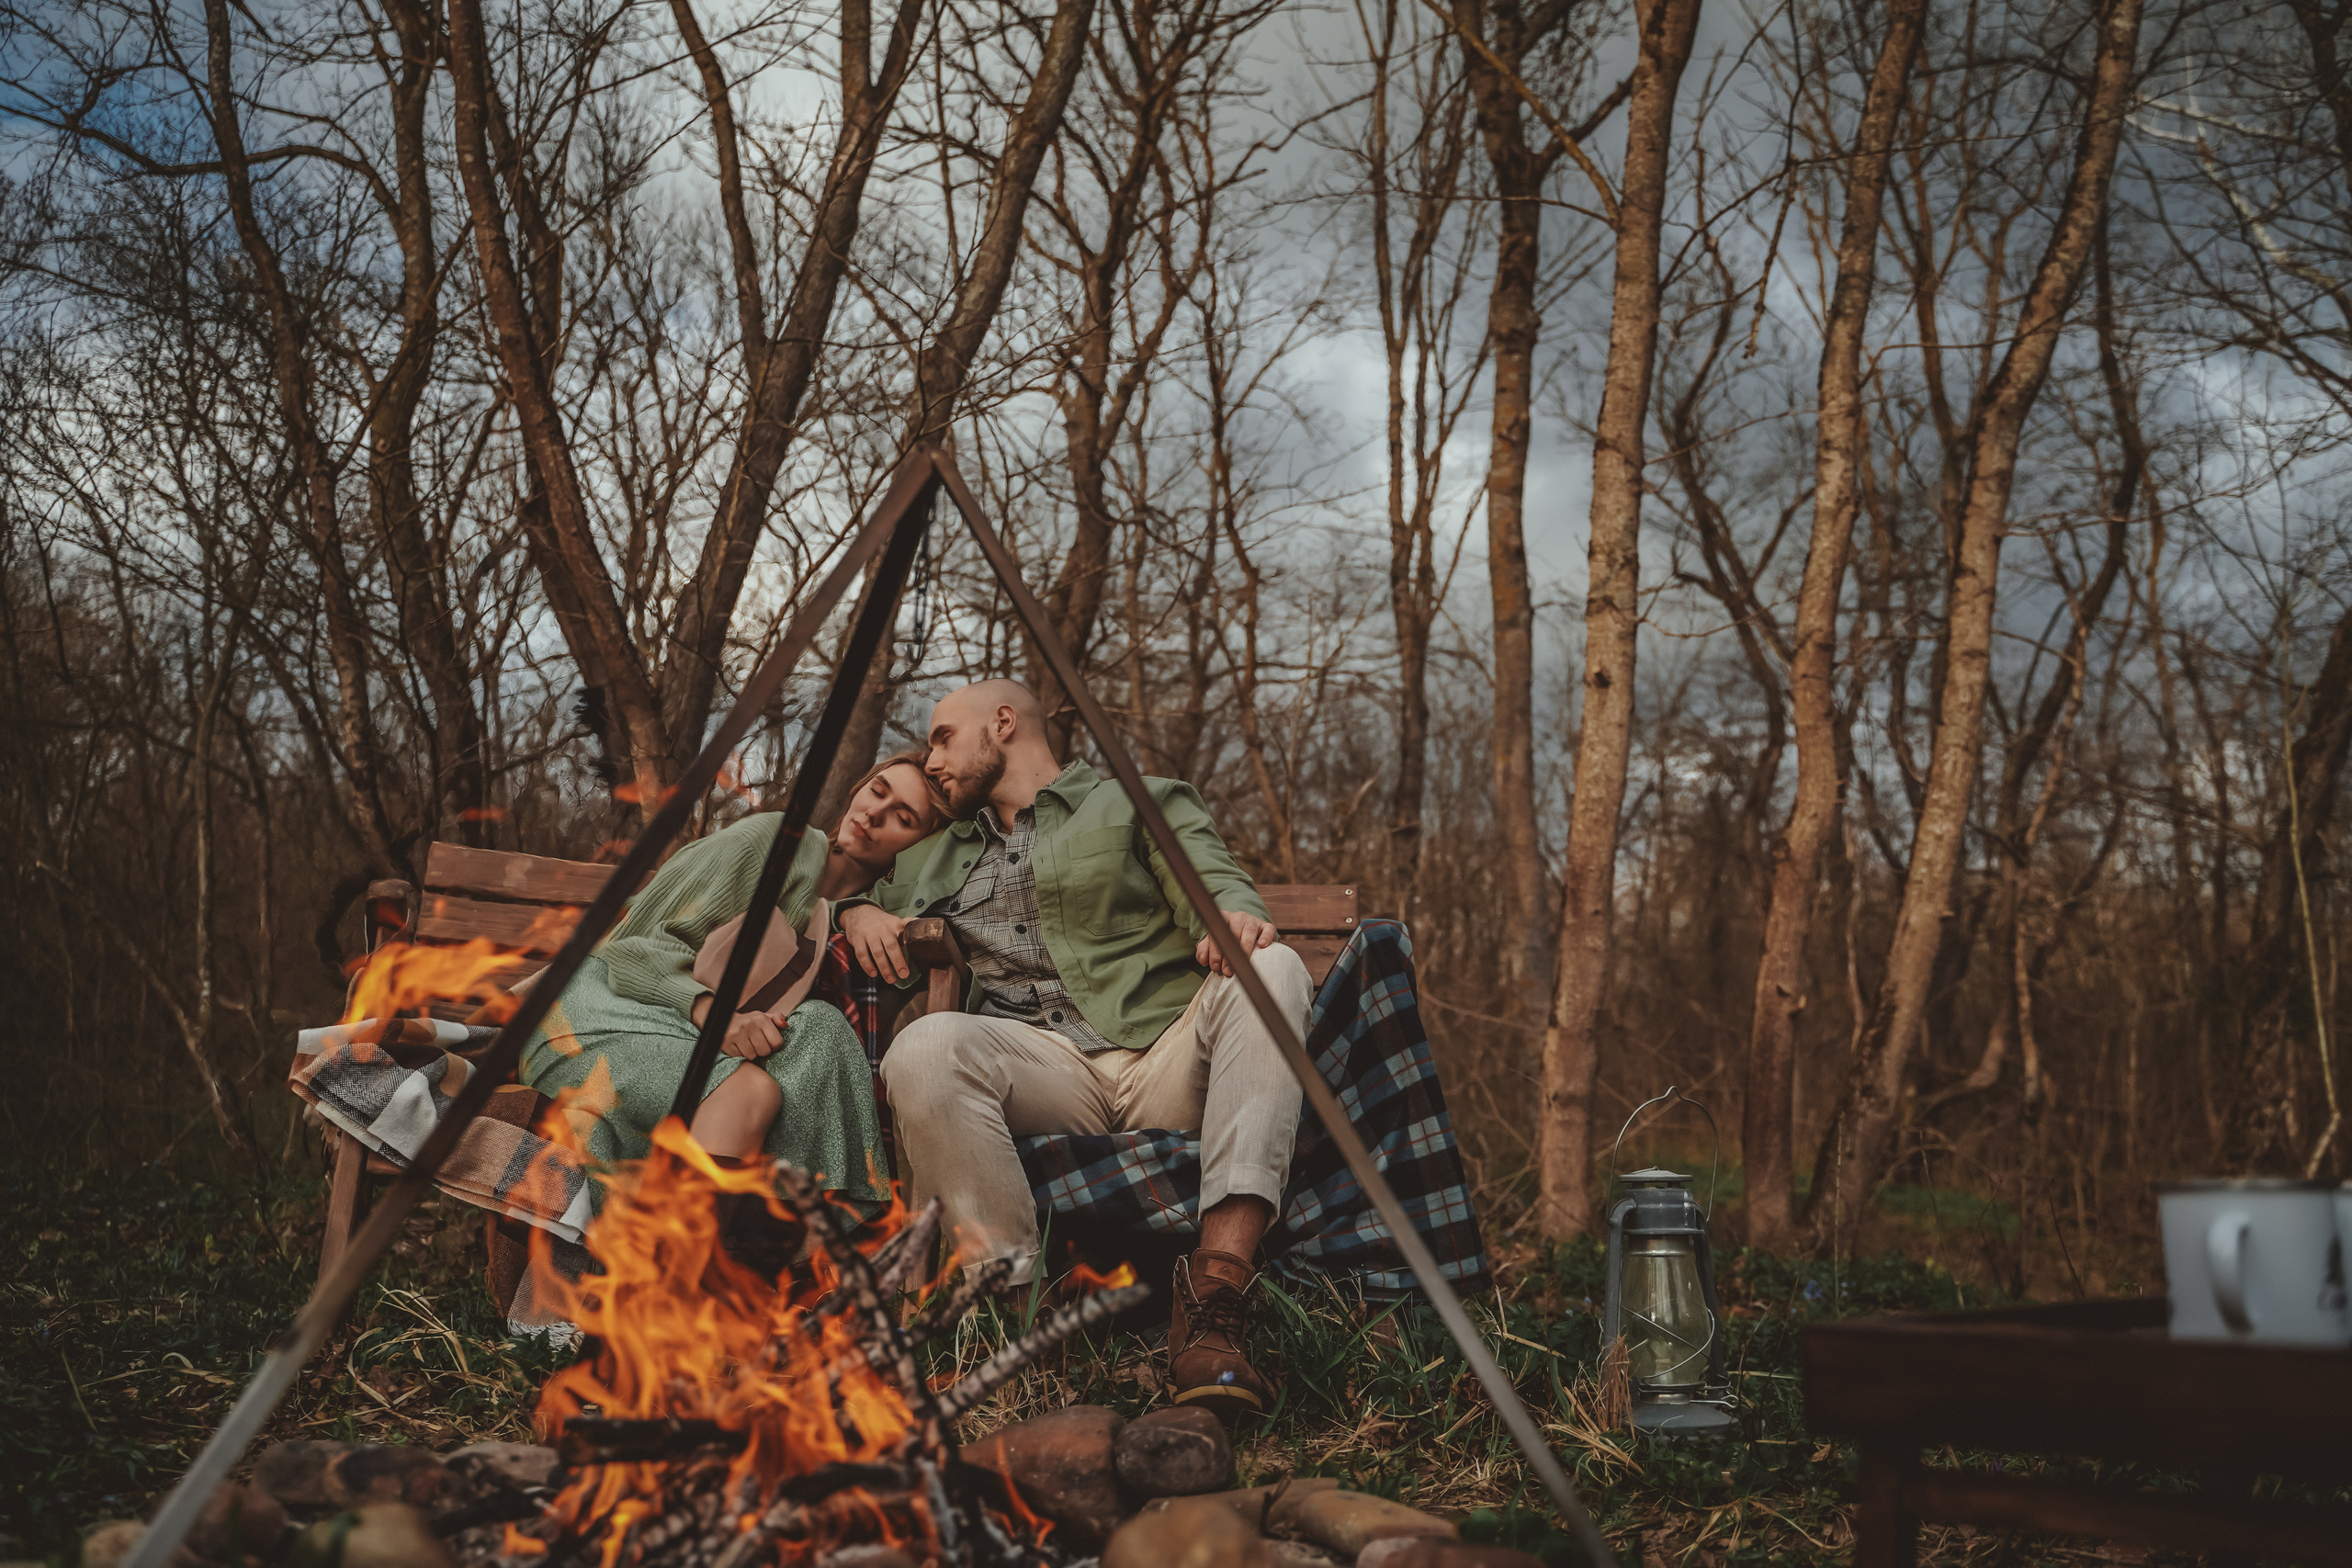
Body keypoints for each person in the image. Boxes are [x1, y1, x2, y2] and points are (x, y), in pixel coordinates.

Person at [840, 680, 1312, 1420]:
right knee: (924, 1047)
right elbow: (834, 878)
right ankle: (1019, 1321)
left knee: (1276, 968)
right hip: (1043, 1070)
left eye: (940, 736)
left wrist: (1234, 917)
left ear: (1002, 723)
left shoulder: (1138, 798)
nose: (930, 760)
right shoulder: (938, 854)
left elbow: (1217, 886)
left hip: (1163, 1056)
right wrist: (854, 907)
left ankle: (1217, 1303)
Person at [523, 751, 948, 1220]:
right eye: (877, 791)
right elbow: (633, 946)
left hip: (689, 1047)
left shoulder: (846, 920)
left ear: (917, 850)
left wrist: (854, 909)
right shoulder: (772, 842)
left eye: (902, 818)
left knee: (818, 1034)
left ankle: (804, 1254)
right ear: (857, 789)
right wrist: (716, 1014)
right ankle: (681, 1272)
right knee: (748, 1092)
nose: (874, 814)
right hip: (599, 1013)